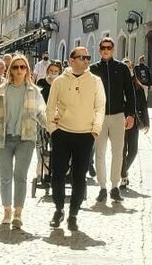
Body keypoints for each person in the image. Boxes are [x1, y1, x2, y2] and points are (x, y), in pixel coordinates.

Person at [44, 47, 106, 232]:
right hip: (62, 132)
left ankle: (73, 214)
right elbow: (50, 106)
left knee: (80, 176)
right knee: (58, 174)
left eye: (88, 57)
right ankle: (59, 209)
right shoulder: (59, 81)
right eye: (82, 57)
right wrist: (53, 129)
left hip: (85, 135)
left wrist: (95, 131)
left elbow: (100, 107)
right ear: (71, 60)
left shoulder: (95, 81)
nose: (87, 60)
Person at [0, 55, 46, 230]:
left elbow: (41, 113)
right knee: (5, 177)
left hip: (26, 139)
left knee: (21, 176)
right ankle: (7, 211)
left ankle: (18, 213)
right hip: (3, 139)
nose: (19, 70)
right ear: (11, 70)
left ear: (27, 70)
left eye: (22, 67)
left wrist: (53, 126)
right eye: (16, 67)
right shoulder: (1, 90)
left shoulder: (34, 91)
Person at [91, 35, 136, 204]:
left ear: (113, 49)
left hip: (118, 115)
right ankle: (102, 187)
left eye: (109, 48)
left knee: (118, 152)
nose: (106, 50)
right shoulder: (93, 69)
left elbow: (130, 93)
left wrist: (130, 114)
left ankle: (115, 186)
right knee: (100, 153)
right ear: (99, 50)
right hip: (100, 116)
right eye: (103, 48)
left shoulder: (122, 68)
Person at [121, 59, 152, 192]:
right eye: (125, 67)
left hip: (134, 121)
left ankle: (121, 172)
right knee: (121, 151)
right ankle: (122, 177)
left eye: (130, 67)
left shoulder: (138, 86)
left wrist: (147, 122)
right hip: (120, 122)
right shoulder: (119, 85)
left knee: (133, 151)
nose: (128, 69)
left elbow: (144, 105)